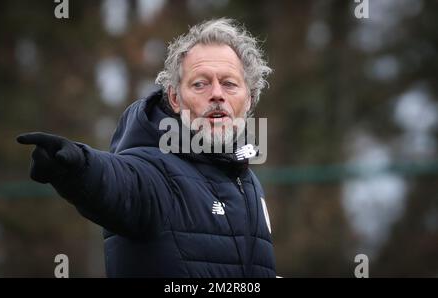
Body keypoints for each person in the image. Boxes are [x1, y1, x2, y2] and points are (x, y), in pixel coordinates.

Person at [17, 18, 276, 278]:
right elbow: (119, 182)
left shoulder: (248, 182)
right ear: (175, 98)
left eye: (229, 84)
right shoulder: (155, 171)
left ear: (249, 99)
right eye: (200, 83)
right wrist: (78, 167)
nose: (217, 94)